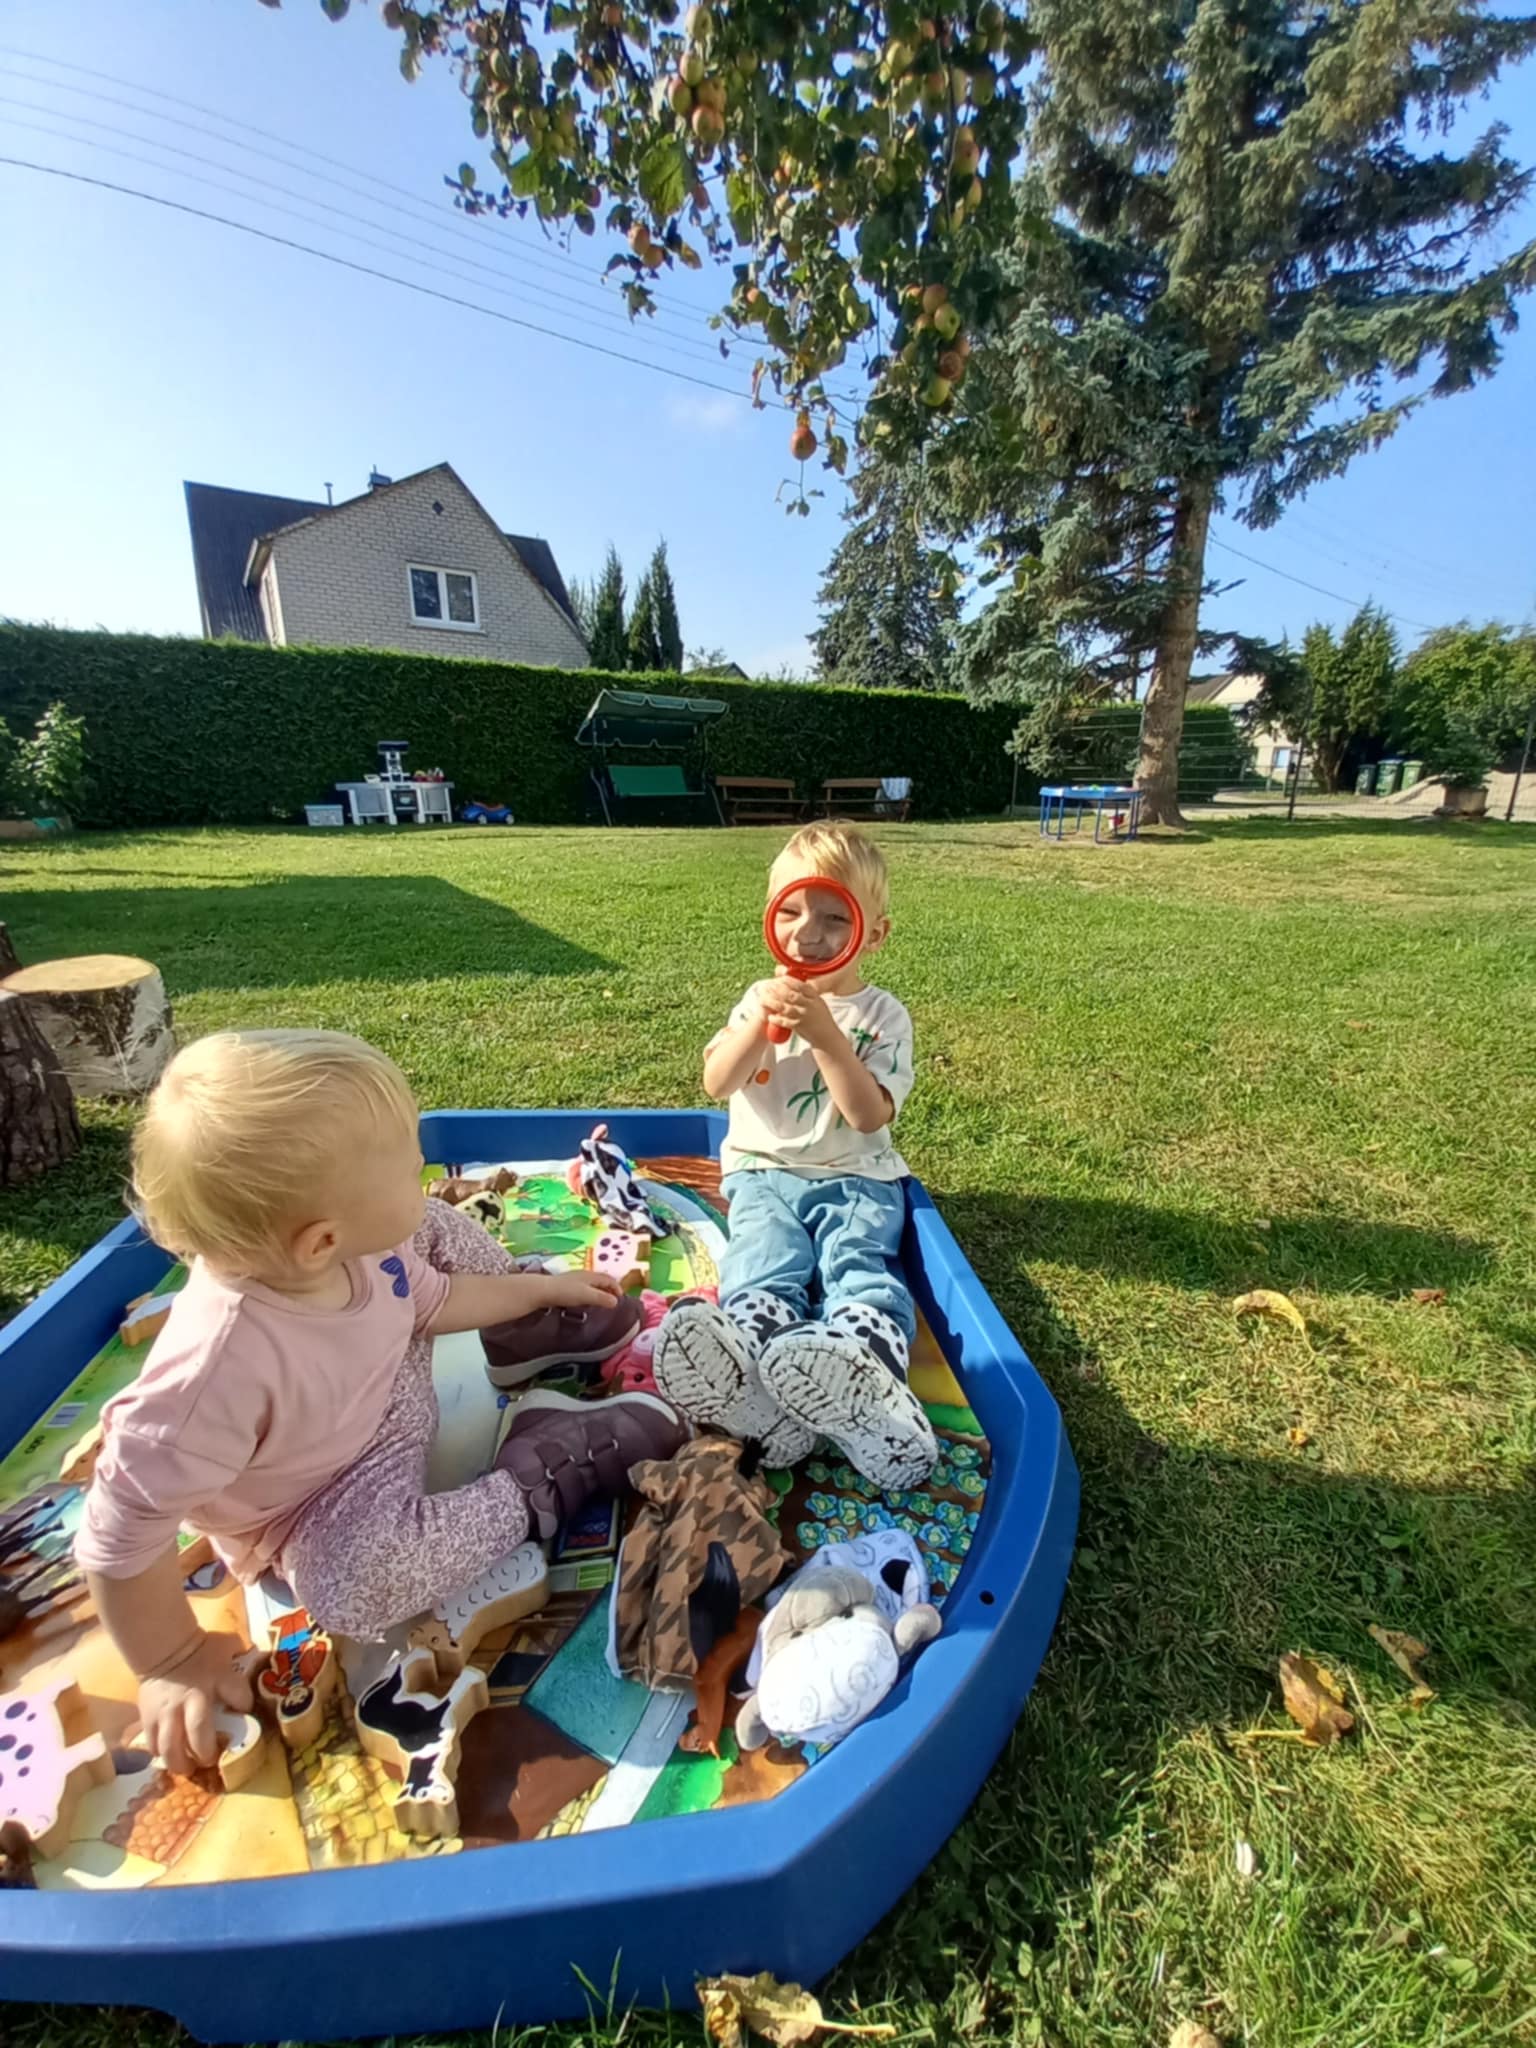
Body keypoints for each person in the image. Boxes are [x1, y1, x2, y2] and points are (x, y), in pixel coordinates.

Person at [74, 1029, 683, 1776]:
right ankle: (546, 1466)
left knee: (424, 1223)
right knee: (350, 1591)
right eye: (407, 1162)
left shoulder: (361, 1247)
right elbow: (119, 1530)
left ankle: (523, 1334)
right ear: (320, 1242)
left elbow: (434, 1300)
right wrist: (170, 1660)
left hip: (385, 1388)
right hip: (318, 1502)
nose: (420, 1165)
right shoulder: (212, 1372)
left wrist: (538, 1289)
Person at [655, 822, 937, 1490]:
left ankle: (868, 1383)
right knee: (763, 1262)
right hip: (762, 1174)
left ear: (874, 934)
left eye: (835, 918)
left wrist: (829, 1039)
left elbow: (868, 1116)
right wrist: (759, 1025)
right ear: (769, 916)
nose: (808, 933)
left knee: (856, 1266)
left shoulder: (883, 1015)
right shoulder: (757, 999)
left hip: (855, 1177)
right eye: (791, 912)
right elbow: (717, 1082)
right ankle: (755, 1388)